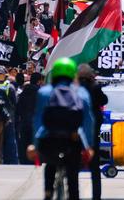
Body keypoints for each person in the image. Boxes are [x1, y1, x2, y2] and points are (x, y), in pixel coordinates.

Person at [27, 58, 95, 200]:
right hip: (73, 139)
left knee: (50, 165)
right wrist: (88, 145)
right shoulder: (81, 93)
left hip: (49, 138)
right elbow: (88, 121)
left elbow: (38, 119)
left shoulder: (44, 92)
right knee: (73, 174)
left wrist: (34, 144)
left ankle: (48, 192)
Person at [77, 64, 108, 200]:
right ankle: (97, 196)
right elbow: (104, 100)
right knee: (95, 168)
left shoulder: (75, 88)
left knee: (72, 167)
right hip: (92, 132)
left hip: (75, 131)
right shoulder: (94, 87)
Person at [0, 67, 19, 164]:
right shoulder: (10, 87)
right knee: (10, 142)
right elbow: (15, 103)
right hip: (8, 119)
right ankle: (11, 163)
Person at [17, 72, 43, 164]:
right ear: (39, 81)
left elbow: (18, 108)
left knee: (24, 144)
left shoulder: (23, 93)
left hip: (24, 123)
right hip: (35, 123)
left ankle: (24, 162)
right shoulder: (40, 93)